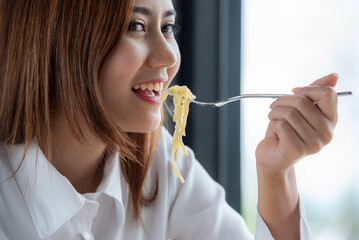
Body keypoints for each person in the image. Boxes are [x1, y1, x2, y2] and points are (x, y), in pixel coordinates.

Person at [0, 0, 339, 239]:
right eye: (137, 26)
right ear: (58, 39)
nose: (169, 57)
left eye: (168, 27)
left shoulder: (159, 163)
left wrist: (275, 173)